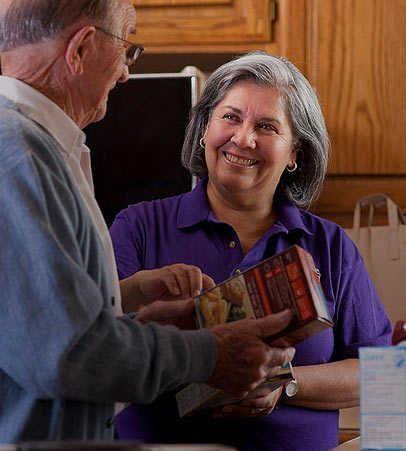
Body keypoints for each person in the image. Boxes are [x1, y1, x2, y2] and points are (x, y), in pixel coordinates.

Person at [0, 2, 296, 444]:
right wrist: (209, 355)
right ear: (80, 49)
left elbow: (42, 323)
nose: (124, 74)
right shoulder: (20, 156)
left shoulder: (34, 148)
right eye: (126, 48)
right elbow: (68, 355)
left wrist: (139, 316)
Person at [110, 52, 393, 450]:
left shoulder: (330, 246)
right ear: (205, 128)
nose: (243, 138)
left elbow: (381, 376)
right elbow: (101, 353)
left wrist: (285, 383)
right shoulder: (138, 227)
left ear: (295, 152)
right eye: (230, 117)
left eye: (266, 126)